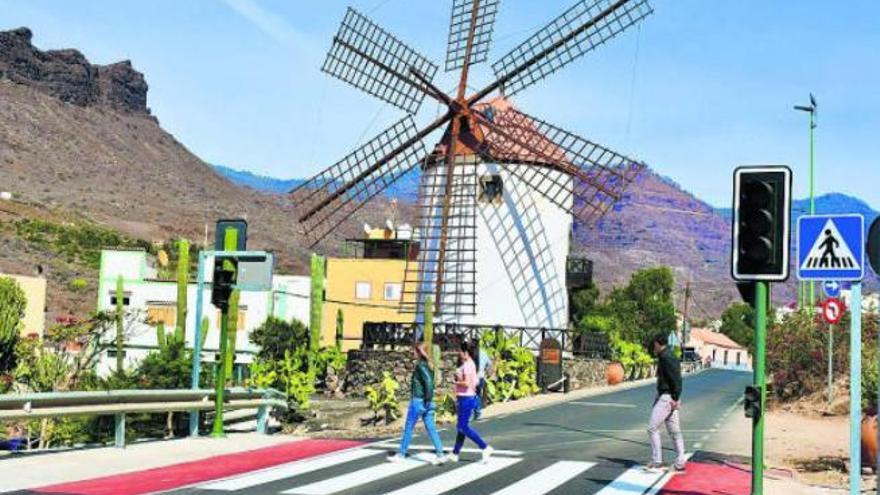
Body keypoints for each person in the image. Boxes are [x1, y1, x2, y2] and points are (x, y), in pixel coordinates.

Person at [388, 342, 446, 465]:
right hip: (427, 402)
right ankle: (440, 454)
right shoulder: (429, 365)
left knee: (409, 427)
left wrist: (427, 399)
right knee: (431, 428)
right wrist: (429, 400)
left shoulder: (421, 366)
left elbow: (429, 383)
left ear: (419, 352)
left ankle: (402, 454)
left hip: (419, 401)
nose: (412, 353)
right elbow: (430, 382)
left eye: (414, 351)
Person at [646, 332, 687, 472]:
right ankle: (680, 462)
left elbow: (676, 379)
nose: (653, 348)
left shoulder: (666, 358)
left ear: (658, 344)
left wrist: (675, 398)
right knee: (675, 431)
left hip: (668, 398)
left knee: (652, 427)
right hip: (668, 397)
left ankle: (657, 461)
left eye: (654, 345)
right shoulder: (667, 355)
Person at [448, 340, 494, 463]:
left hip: (466, 398)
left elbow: (467, 383)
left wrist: (455, 382)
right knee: (461, 428)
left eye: (460, 351)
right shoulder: (470, 364)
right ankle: (455, 453)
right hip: (465, 397)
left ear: (466, 352)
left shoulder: (468, 365)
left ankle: (485, 447)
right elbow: (475, 382)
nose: (459, 353)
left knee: (463, 427)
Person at [473, 342, 492, 421]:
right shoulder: (483, 352)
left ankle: (474, 411)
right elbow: (489, 364)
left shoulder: (470, 353)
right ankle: (477, 411)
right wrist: (488, 373)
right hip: (481, 377)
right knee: (477, 394)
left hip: (471, 378)